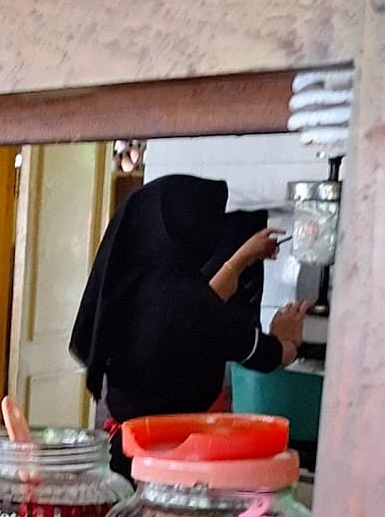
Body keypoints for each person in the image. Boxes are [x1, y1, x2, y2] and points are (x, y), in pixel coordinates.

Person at [69, 174, 307, 470]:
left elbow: (199, 308)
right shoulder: (192, 307)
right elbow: (267, 354)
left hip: (123, 449)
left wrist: (243, 257)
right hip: (168, 462)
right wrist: (291, 341)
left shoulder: (131, 288)